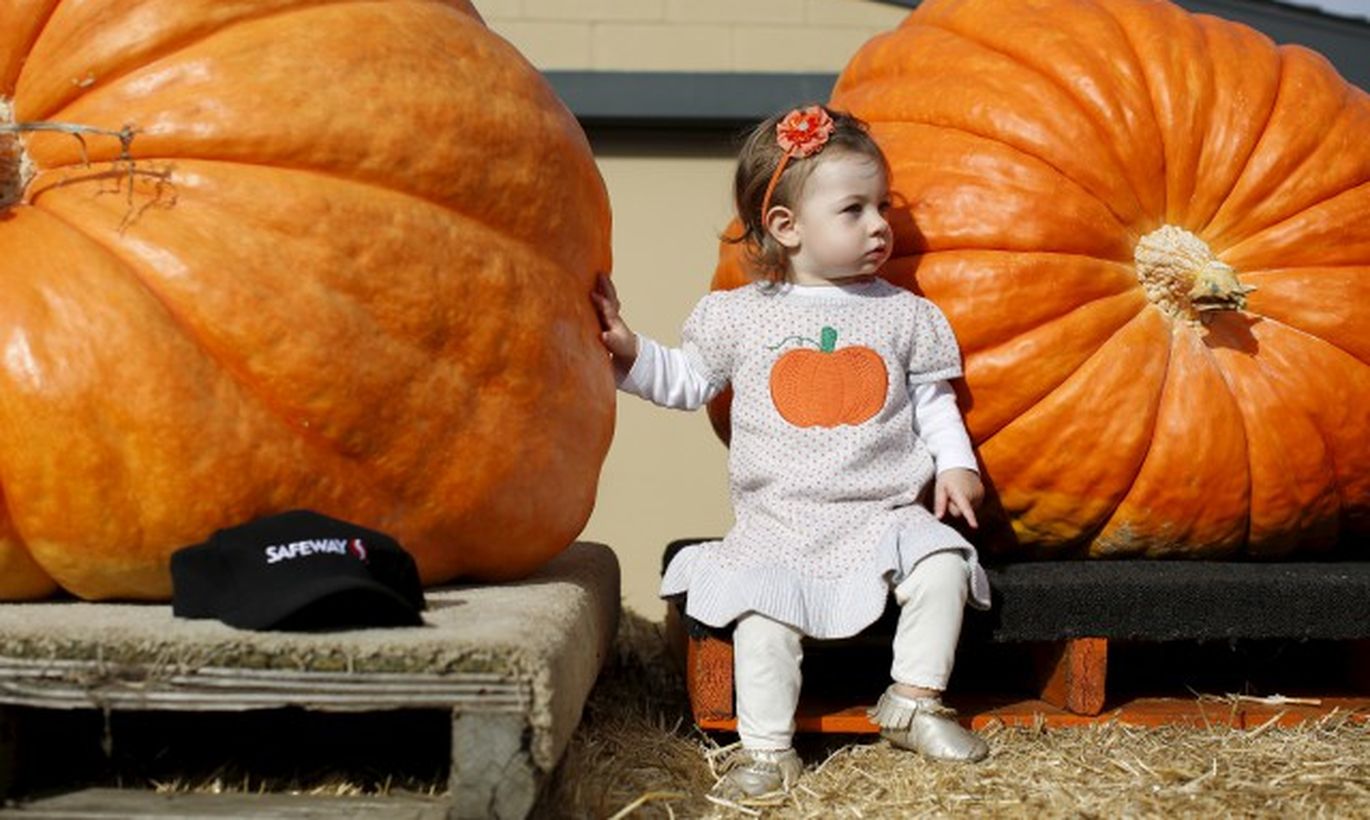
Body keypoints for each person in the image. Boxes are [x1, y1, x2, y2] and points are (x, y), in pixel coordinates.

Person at [592, 105, 993, 800]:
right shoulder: (741, 314)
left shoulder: (905, 315)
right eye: (854, 210)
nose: (877, 225)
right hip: (780, 522)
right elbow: (687, 382)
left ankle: (914, 701)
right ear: (786, 228)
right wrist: (631, 350)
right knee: (762, 617)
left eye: (882, 206)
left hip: (883, 516)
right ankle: (767, 750)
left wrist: (957, 464)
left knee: (945, 566)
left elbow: (934, 405)